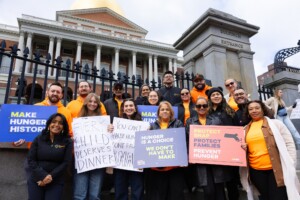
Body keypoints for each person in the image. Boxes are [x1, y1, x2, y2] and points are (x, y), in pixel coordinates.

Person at [241, 100, 300, 200]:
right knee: (265, 197)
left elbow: (289, 143)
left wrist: (291, 163)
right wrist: (243, 148)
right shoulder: (245, 129)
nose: (254, 111)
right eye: (250, 109)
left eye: (257, 108)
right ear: (248, 112)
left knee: (279, 196)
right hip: (256, 171)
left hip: (275, 170)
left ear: (263, 109)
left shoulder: (276, 124)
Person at [186, 97, 232, 200]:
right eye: (199, 106)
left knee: (220, 191)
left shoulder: (216, 120)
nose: (201, 107)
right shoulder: (190, 122)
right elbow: (188, 140)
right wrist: (190, 156)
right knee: (208, 191)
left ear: (208, 107)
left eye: (204, 105)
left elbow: (224, 138)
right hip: (201, 162)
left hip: (216, 161)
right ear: (195, 108)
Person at [73, 93, 112, 200]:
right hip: (82, 159)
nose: (93, 104)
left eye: (95, 102)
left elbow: (109, 137)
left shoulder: (103, 120)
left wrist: (110, 129)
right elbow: (73, 135)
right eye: (90, 101)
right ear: (86, 103)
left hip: (98, 160)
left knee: (95, 195)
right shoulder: (78, 119)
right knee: (79, 195)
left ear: (98, 105)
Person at [27, 113, 73, 200]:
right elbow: (31, 159)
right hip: (37, 179)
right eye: (54, 122)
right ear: (49, 124)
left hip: (56, 180)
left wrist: (50, 176)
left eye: (60, 123)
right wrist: (43, 176)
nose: (56, 125)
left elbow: (66, 162)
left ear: (64, 126)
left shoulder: (67, 141)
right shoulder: (39, 138)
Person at [146, 101, 185, 200]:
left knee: (175, 195)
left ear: (171, 112)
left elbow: (182, 141)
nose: (165, 111)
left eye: (167, 109)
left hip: (174, 168)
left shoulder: (178, 123)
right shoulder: (151, 126)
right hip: (157, 169)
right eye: (162, 109)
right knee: (160, 195)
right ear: (158, 112)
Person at [206, 87, 240, 200]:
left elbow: (237, 129)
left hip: (230, 151)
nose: (216, 96)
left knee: (232, 182)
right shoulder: (207, 113)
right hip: (215, 151)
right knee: (218, 184)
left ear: (222, 96)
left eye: (218, 94)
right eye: (213, 95)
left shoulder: (230, 111)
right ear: (210, 98)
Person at [114, 98, 145, 200]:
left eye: (131, 106)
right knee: (120, 190)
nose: (129, 108)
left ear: (135, 108)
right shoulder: (116, 123)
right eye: (126, 106)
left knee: (137, 190)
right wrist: (110, 129)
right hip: (120, 162)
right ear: (123, 109)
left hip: (137, 162)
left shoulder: (142, 124)